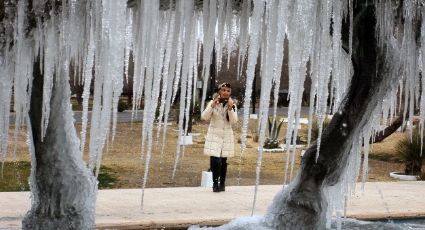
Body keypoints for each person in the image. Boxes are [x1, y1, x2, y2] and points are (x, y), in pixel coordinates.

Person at [201, 83, 238, 192]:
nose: (226, 92)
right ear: (219, 92)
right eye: (223, 90)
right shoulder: (213, 103)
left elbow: (234, 121)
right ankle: (215, 183)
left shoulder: (232, 104)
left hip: (226, 136)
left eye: (228, 90)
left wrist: (231, 109)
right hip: (214, 135)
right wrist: (212, 106)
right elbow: (204, 117)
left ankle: (222, 183)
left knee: (223, 160)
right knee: (215, 160)